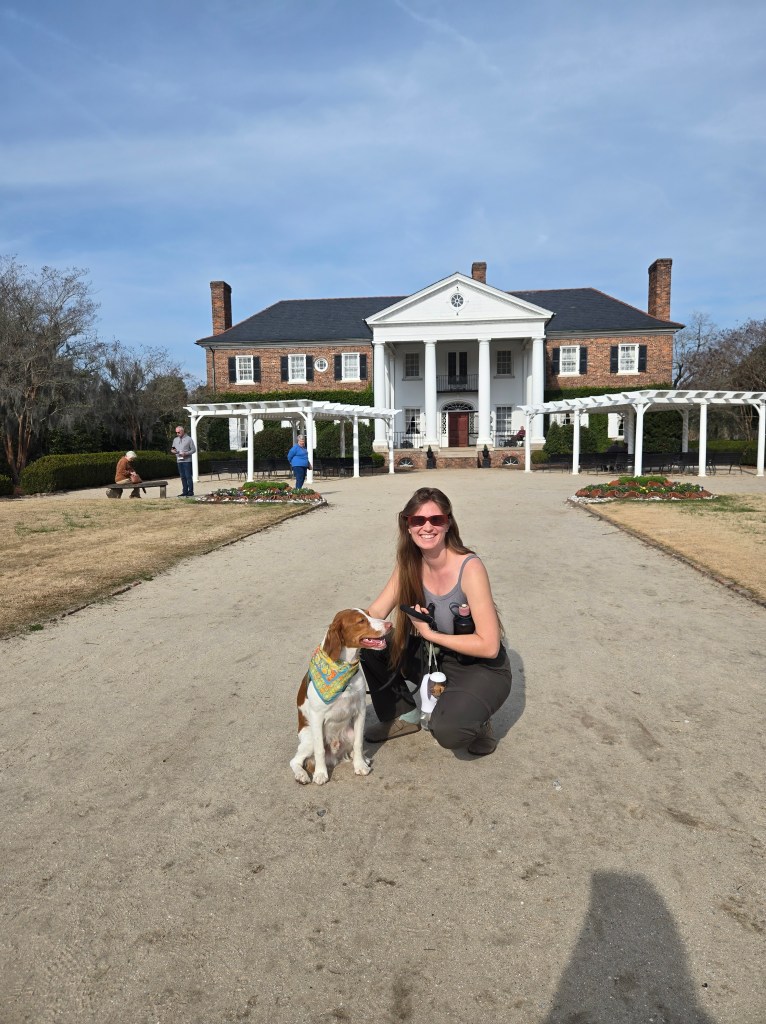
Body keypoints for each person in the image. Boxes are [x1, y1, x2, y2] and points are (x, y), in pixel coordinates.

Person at [360, 487, 512, 756]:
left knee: (449, 731)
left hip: (478, 665)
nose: (426, 527)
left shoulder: (469, 567)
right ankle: (403, 716)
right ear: (407, 525)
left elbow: (489, 646)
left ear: (448, 523)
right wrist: (333, 643)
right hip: (434, 657)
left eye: (436, 520)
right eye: (418, 520)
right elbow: (375, 613)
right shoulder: (409, 563)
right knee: (367, 644)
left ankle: (478, 719)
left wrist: (430, 635)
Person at [171, 425, 196, 497]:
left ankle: (190, 491)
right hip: (179, 460)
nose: (177, 434)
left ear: (182, 431)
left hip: (187, 460)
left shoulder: (189, 439)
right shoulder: (175, 440)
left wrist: (186, 453)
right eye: (176, 432)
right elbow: (173, 448)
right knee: (182, 476)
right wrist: (173, 451)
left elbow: (193, 449)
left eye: (178, 432)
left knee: (188, 476)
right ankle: (184, 491)